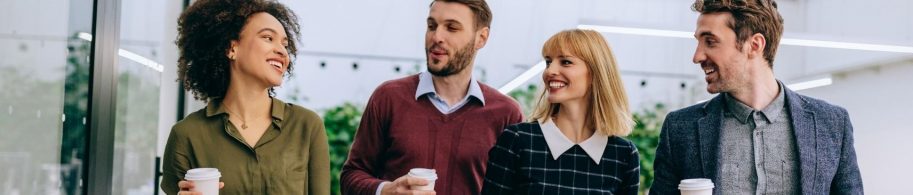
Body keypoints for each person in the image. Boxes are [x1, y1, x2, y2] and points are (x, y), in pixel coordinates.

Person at [649, 0, 864, 194]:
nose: (697, 56)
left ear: (754, 45)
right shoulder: (680, 128)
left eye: (710, 41)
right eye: (698, 42)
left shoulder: (831, 123)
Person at [338, 0, 523, 195]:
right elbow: (351, 176)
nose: (437, 37)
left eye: (451, 28)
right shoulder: (388, 98)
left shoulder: (507, 115)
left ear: (481, 38)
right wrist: (386, 190)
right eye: (432, 26)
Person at [161, 0, 329, 194]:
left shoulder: (306, 126)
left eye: (285, 44)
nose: (282, 51)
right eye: (268, 38)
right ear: (232, 48)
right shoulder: (186, 135)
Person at [481, 29, 640, 195]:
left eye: (565, 62)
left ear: (595, 73)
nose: (549, 71)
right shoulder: (518, 140)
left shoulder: (624, 154)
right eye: (548, 62)